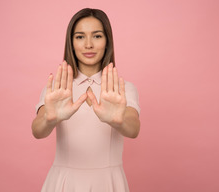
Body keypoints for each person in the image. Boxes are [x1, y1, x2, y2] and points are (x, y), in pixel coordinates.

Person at [32, 8, 140, 192]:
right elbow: (37, 130)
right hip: (64, 183)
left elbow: (133, 128)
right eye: (80, 37)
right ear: (71, 43)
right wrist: (49, 119)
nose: (88, 44)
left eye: (97, 36)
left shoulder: (122, 88)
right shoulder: (57, 89)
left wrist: (118, 120)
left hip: (108, 183)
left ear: (107, 42)